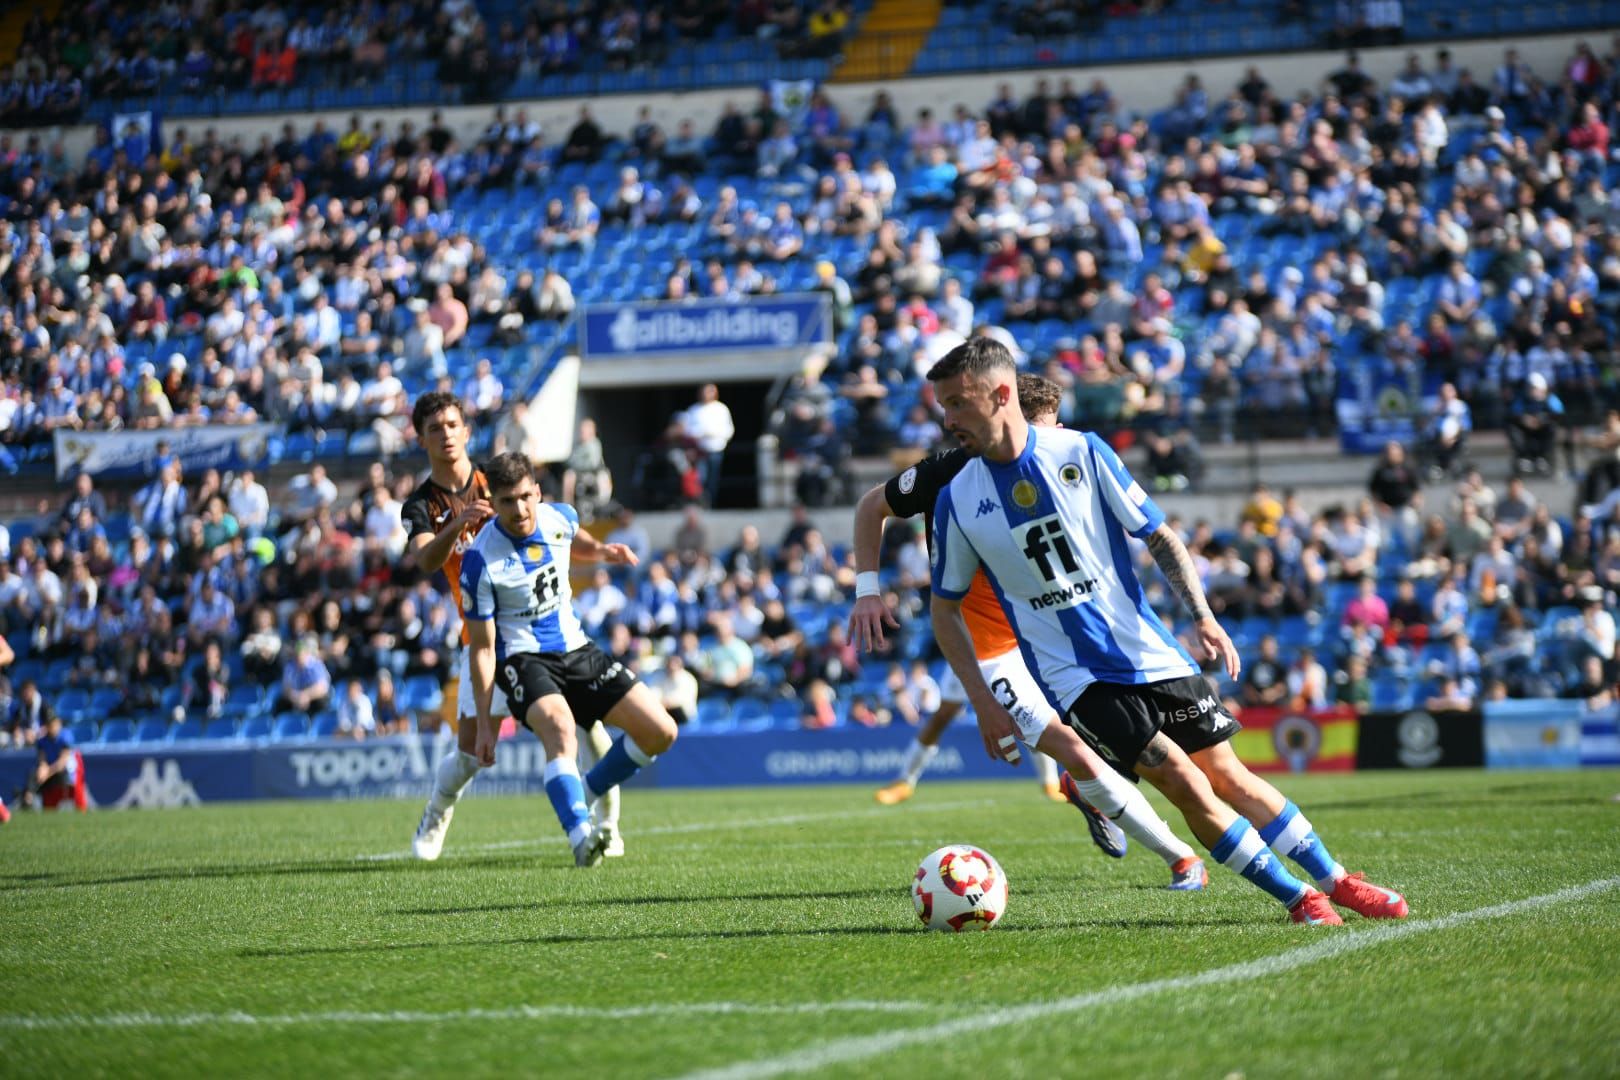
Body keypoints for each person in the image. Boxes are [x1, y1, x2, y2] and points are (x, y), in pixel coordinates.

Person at [925, 337, 1407, 925]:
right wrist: (983, 701)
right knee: (1183, 781)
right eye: (943, 407)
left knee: (1229, 774)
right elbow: (944, 609)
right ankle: (1298, 898)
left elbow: (1157, 535)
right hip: (1075, 679)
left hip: (1151, 651)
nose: (947, 421)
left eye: (957, 404)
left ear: (1002, 395)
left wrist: (1202, 614)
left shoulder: (1083, 452)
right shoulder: (955, 499)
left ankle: (1338, 881)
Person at [851, 373, 1208, 891]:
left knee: (1123, 747)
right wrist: (867, 589)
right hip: (993, 650)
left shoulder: (1072, 462)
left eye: (1055, 428)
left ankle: (1087, 790)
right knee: (1077, 751)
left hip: (1052, 642)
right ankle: (1180, 858)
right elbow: (871, 506)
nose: (1045, 440)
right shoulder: (952, 475)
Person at [404, 391, 622, 861]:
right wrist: (457, 523)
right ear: (420, 438)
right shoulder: (422, 503)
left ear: (466, 430)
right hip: (483, 640)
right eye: (435, 428)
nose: (446, 434)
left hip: (544, 635)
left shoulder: (498, 479)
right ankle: (437, 813)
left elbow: (556, 528)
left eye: (452, 424)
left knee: (589, 728)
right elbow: (425, 559)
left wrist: (601, 551)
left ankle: (607, 826)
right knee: (468, 756)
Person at [462, 452, 679, 868]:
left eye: (526, 497)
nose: (520, 509)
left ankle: (588, 787)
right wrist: (488, 723)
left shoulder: (559, 516)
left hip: (577, 650)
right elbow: (483, 648)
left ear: (538, 493)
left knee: (661, 731)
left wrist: (602, 551)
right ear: (492, 501)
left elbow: (572, 538)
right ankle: (581, 836)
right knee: (561, 729)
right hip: (525, 660)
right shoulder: (480, 560)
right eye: (507, 501)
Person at [21, 711, 87, 812]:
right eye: (48, 724)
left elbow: (62, 762)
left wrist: (47, 773)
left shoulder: (65, 736)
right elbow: (42, 759)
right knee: (33, 774)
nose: (51, 727)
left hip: (65, 772)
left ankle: (28, 797)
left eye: (53, 724)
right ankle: (28, 797)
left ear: (58, 723)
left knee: (53, 776)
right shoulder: (43, 740)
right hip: (49, 772)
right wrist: (42, 768)